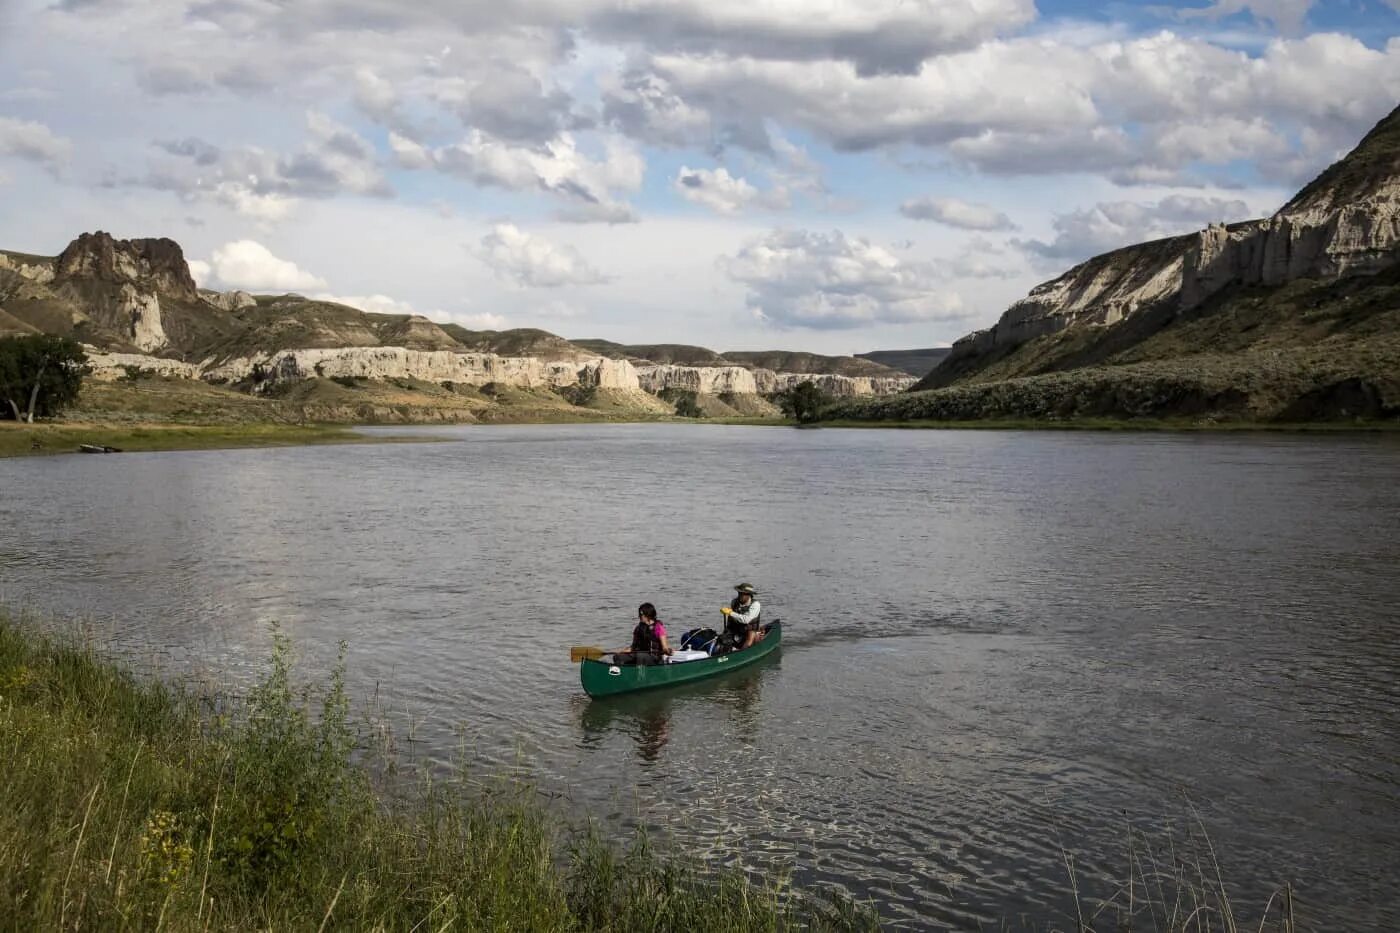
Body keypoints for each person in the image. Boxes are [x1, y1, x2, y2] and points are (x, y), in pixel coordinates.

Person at [721, 582, 763, 650]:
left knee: (751, 634)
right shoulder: (734, 602)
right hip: (737, 629)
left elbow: (746, 620)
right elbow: (733, 619)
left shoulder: (755, 605)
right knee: (723, 638)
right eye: (739, 593)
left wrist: (730, 612)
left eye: (742, 594)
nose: (739, 596)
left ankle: (743, 651)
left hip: (750, 631)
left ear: (749, 595)